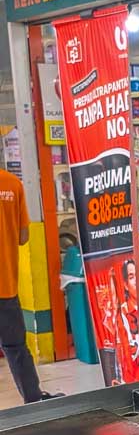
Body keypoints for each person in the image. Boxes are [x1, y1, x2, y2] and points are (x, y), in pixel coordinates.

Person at [0, 166, 52, 405]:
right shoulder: (12, 183)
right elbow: (23, 237)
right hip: (6, 285)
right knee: (15, 347)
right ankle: (33, 399)